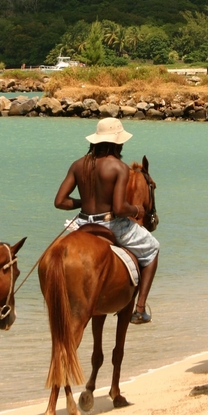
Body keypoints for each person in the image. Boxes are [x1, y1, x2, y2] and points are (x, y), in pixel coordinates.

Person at [54, 117, 159, 324]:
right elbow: (120, 209)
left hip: (82, 224)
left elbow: (60, 202)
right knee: (152, 247)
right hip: (110, 224)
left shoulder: (78, 165)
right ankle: (139, 309)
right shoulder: (118, 167)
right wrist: (136, 208)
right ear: (116, 143)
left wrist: (84, 201)